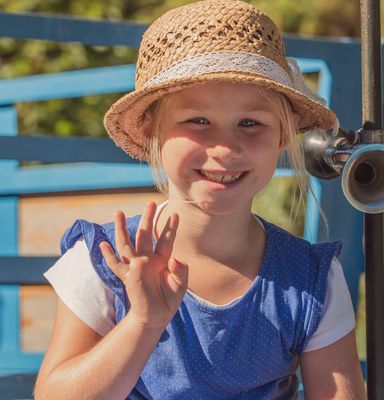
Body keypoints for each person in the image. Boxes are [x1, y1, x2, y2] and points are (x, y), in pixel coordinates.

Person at [33, 1, 366, 398]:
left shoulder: (311, 281)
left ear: (282, 135)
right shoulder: (101, 262)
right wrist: (142, 322)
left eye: (250, 123)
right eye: (198, 121)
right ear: (151, 130)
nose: (224, 148)